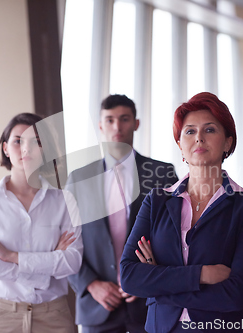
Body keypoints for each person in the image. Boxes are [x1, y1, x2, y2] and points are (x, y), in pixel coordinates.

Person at [120, 92, 243, 333]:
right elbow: (129, 276)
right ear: (180, 145)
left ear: (228, 142)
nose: (199, 138)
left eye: (209, 130)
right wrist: (202, 274)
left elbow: (235, 296)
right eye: (189, 131)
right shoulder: (156, 201)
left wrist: (158, 286)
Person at [67, 94, 179, 333]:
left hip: (149, 301)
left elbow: (175, 237)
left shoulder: (163, 173)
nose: (117, 127)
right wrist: (91, 284)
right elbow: (64, 241)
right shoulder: (78, 179)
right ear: (100, 126)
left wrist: (145, 277)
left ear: (136, 123)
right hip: (97, 305)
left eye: (124, 119)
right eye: (109, 120)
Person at [0, 113, 83, 333]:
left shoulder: (65, 201)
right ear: (5, 148)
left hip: (54, 317)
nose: (26, 149)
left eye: (36, 142)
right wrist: (48, 267)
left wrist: (11, 256)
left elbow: (72, 262)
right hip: (0, 316)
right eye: (18, 141)